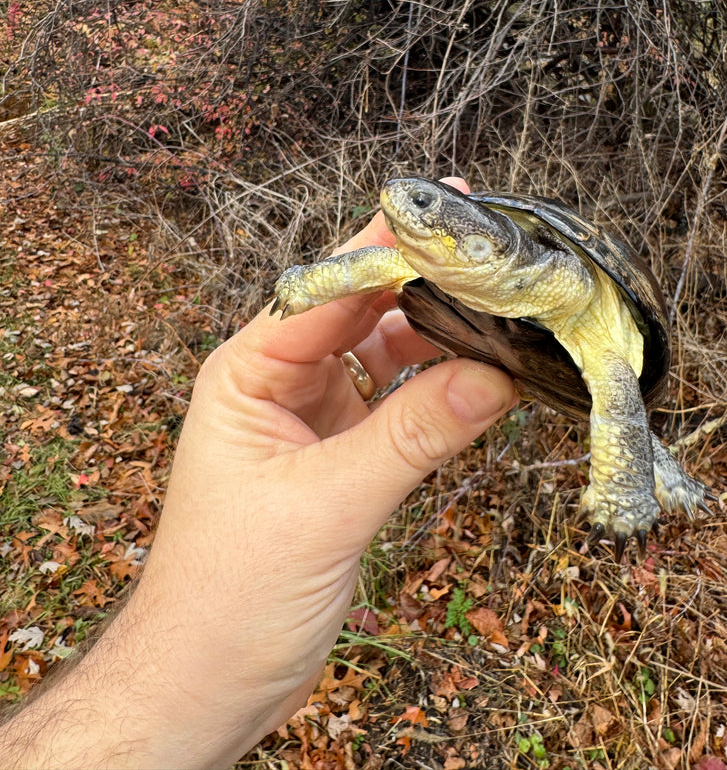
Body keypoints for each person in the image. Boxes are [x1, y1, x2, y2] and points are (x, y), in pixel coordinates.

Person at [0, 178, 516, 769]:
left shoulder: (508, 257)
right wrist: (310, 282)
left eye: (424, 203)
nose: (402, 199)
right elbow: (377, 263)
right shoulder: (408, 260)